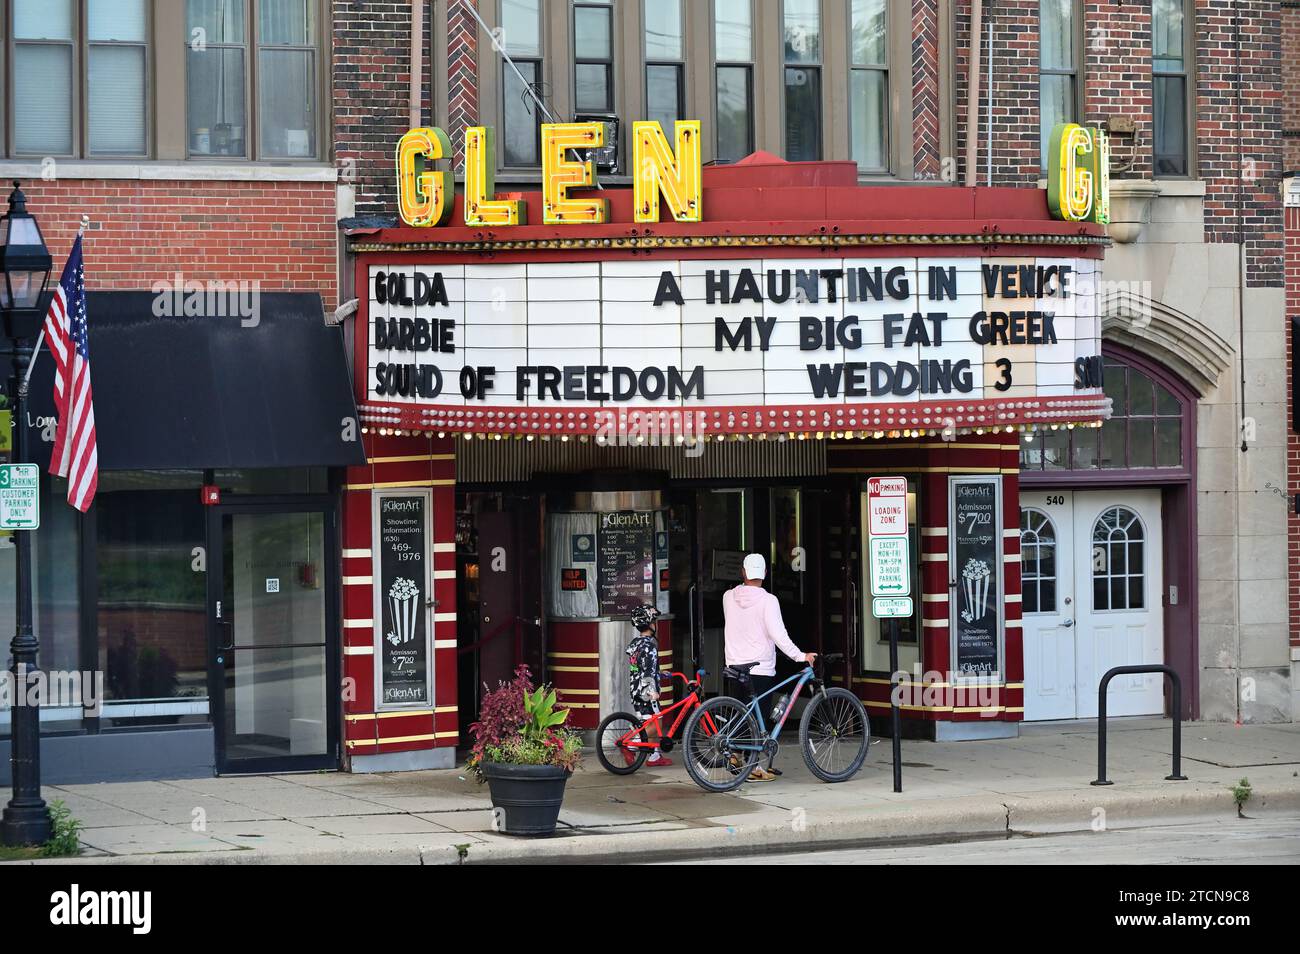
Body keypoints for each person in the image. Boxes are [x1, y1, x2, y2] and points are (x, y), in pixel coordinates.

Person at [722, 553, 816, 781]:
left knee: (740, 714)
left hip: (734, 664)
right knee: (757, 718)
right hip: (760, 667)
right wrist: (799, 655)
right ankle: (755, 767)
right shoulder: (768, 600)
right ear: (764, 574)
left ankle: (736, 755)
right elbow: (778, 634)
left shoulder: (727, 597)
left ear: (743, 573)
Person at [627, 602, 671, 766]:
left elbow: (640, 668)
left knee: (647, 720)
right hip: (647, 691)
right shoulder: (649, 646)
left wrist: (660, 674)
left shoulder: (636, 643)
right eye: (655, 621)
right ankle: (631, 745)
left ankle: (655, 756)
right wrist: (652, 690)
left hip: (635, 688)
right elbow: (647, 671)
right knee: (656, 722)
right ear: (650, 623)